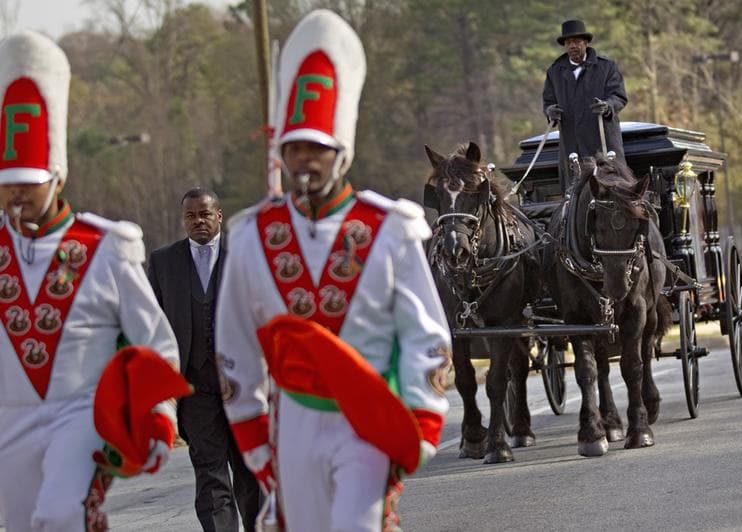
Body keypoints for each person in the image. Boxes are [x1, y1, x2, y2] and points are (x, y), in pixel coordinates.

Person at [215, 9, 452, 532]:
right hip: (291, 424)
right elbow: (234, 343)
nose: (305, 160)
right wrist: (253, 439)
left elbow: (426, 335)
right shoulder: (252, 235)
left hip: (368, 415)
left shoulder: (389, 228)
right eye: (295, 147)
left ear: (340, 152)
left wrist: (417, 421)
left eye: (317, 149)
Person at [0, 30, 181, 531]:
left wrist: (159, 412)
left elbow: (154, 341)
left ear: (56, 177)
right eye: (6, 182)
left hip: (80, 415)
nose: (16, 195)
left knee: (62, 514)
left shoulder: (107, 246)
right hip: (7, 418)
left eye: (28, 183)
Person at [147, 187, 262, 532]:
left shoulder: (245, 255)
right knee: (210, 473)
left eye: (205, 214)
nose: (198, 221)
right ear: (184, 219)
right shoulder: (163, 261)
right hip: (194, 386)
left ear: (219, 216)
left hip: (243, 385)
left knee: (248, 471)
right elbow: (154, 325)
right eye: (191, 216)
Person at [543, 19, 628, 188]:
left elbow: (619, 96)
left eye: (577, 42)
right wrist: (550, 111)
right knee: (575, 195)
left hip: (604, 144)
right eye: (568, 43)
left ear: (586, 43)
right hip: (572, 146)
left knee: (613, 191)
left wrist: (607, 106)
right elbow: (548, 102)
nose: (572, 46)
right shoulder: (554, 72)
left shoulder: (607, 67)